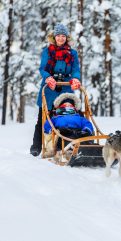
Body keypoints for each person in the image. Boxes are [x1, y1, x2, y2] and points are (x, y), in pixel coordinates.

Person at [30, 24, 81, 156]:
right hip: (49, 89)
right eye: (58, 36)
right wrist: (48, 78)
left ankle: (66, 144)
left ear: (66, 37)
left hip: (65, 88)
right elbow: (43, 68)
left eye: (63, 36)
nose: (60, 38)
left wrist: (75, 78)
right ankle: (36, 146)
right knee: (43, 118)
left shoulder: (72, 53)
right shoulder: (47, 51)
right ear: (54, 37)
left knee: (67, 117)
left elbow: (75, 69)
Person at [42, 93, 93, 160]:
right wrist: (56, 130)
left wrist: (86, 131)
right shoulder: (55, 118)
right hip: (63, 134)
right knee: (67, 141)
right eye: (65, 105)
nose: (68, 106)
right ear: (60, 106)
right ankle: (70, 153)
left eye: (70, 105)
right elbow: (47, 127)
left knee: (85, 141)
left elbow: (87, 124)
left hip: (78, 133)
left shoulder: (78, 116)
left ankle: (96, 150)